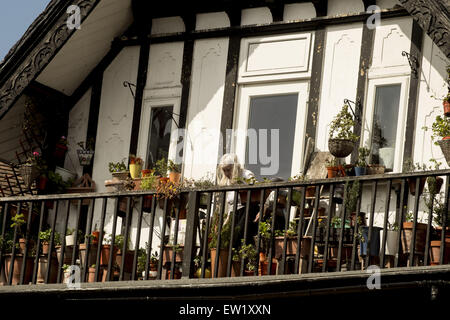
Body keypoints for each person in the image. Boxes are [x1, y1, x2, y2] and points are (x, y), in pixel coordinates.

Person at [215, 154, 258, 247]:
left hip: (247, 211)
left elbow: (259, 193)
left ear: (234, 167)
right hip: (235, 213)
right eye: (224, 170)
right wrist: (226, 220)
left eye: (228, 169)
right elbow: (231, 205)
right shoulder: (228, 181)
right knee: (222, 237)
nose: (226, 173)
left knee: (237, 236)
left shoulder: (246, 175)